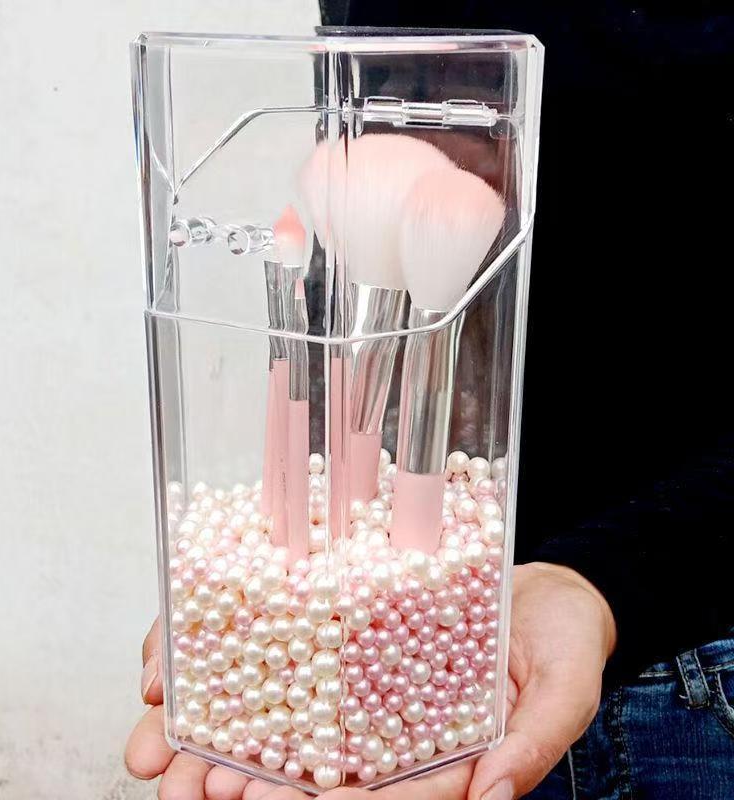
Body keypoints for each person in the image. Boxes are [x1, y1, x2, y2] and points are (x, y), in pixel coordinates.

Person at [126, 4, 734, 798]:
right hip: (412, 648)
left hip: (690, 659)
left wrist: (607, 579)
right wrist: (282, 581)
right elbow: (364, 179)